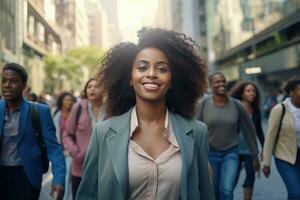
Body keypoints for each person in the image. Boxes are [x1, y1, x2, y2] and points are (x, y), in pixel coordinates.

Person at [76, 28, 214, 200]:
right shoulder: (102, 133)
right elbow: (87, 195)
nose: (151, 74)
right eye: (142, 67)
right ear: (130, 78)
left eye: (162, 69)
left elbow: (206, 195)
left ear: (172, 80)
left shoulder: (197, 132)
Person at [0, 63, 66, 200]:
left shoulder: (39, 111)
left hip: (26, 177)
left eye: (13, 81)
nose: (7, 85)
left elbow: (54, 148)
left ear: (24, 86)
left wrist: (58, 179)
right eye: (4, 80)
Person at [197, 72, 259, 200]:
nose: (221, 84)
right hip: (210, 155)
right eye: (217, 82)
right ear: (211, 85)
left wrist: (254, 155)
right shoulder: (204, 104)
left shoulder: (237, 105)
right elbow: (194, 130)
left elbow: (249, 131)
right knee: (213, 191)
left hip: (231, 154)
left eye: (223, 81)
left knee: (227, 189)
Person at [62, 78, 105, 199]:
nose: (92, 89)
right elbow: (67, 134)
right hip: (80, 167)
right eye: (89, 87)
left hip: (103, 168)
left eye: (96, 86)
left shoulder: (110, 109)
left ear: (103, 89)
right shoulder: (78, 107)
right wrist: (75, 153)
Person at [262, 79, 300, 199]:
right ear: (291, 92)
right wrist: (266, 163)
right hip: (285, 156)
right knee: (295, 193)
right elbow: (270, 136)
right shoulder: (280, 109)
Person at [229, 81, 265, 200]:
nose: (252, 93)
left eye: (254, 91)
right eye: (248, 91)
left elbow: (259, 131)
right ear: (242, 94)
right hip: (234, 149)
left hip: (250, 150)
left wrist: (265, 148)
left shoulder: (256, 111)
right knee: (232, 179)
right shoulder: (234, 107)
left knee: (251, 177)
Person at [53, 92, 77, 200]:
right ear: (61, 101)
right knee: (59, 179)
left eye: (71, 100)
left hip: (72, 153)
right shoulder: (57, 115)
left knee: (68, 179)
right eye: (67, 99)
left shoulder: (76, 114)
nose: (69, 102)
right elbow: (54, 135)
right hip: (59, 152)